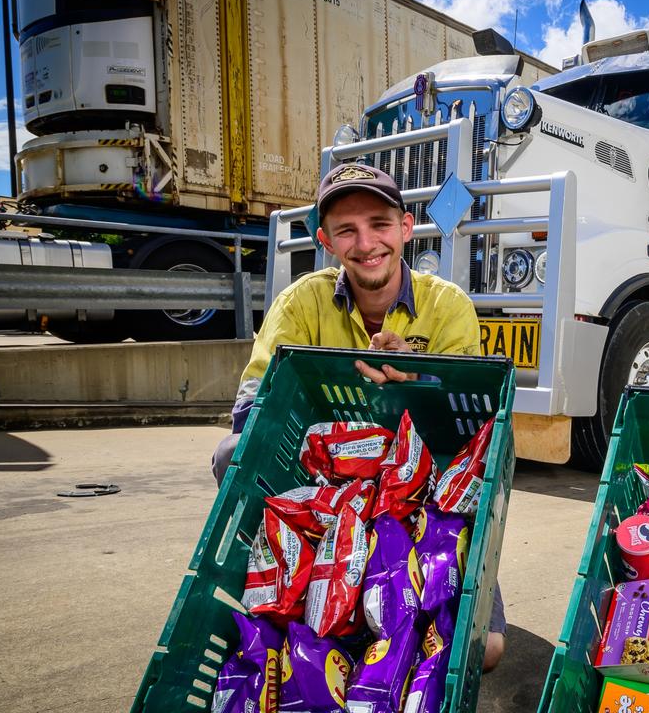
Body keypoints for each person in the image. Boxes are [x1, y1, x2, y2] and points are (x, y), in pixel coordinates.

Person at [210, 162, 505, 671]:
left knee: (487, 655)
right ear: (326, 240)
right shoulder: (301, 303)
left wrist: (413, 386)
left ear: (406, 228)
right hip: (324, 494)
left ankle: (434, 584)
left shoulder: (448, 307)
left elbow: (466, 437)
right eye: (347, 229)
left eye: (379, 224)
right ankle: (298, 584)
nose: (366, 243)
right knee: (231, 455)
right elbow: (252, 407)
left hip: (423, 495)